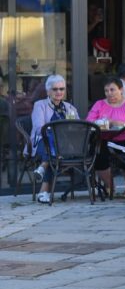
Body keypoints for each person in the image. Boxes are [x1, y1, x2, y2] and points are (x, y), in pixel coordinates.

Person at [86, 76, 125, 198]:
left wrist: (123, 124)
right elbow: (89, 121)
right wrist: (105, 122)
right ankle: (109, 186)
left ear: (121, 90)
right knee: (97, 154)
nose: (109, 93)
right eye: (106, 91)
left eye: (112, 90)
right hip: (104, 139)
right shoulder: (99, 104)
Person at [30, 74, 81, 203]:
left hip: (64, 146)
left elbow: (78, 127)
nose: (59, 92)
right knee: (52, 145)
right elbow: (38, 128)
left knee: (55, 151)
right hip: (43, 142)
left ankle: (42, 169)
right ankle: (44, 190)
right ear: (48, 91)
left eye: (61, 89)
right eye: (55, 89)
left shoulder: (69, 108)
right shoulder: (39, 105)